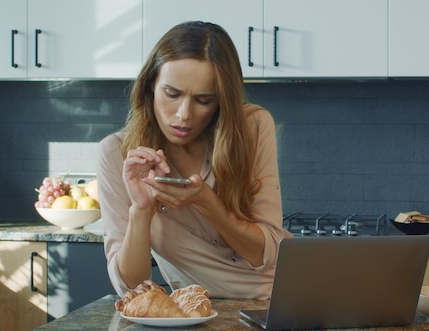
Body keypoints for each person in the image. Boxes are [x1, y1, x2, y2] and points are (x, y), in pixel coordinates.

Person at [98, 21, 290, 300]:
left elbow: (266, 253)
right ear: (151, 84)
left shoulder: (252, 127)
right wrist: (141, 210)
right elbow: (131, 287)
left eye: (203, 100)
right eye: (172, 94)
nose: (184, 114)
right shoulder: (116, 154)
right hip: (200, 316)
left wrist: (205, 201)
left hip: (288, 299)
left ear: (221, 101)